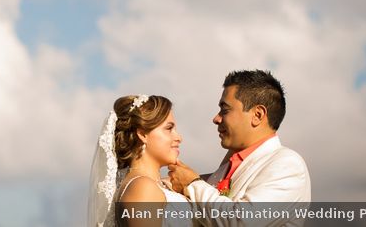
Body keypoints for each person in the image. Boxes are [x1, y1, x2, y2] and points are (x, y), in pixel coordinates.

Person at [167, 70, 310, 224]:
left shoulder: (288, 165)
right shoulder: (227, 166)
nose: (216, 118)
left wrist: (192, 184)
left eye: (225, 110)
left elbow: (240, 221)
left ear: (258, 115)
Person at [88, 94, 189, 227]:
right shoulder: (142, 188)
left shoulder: (159, 185)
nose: (179, 138)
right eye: (169, 129)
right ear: (142, 134)